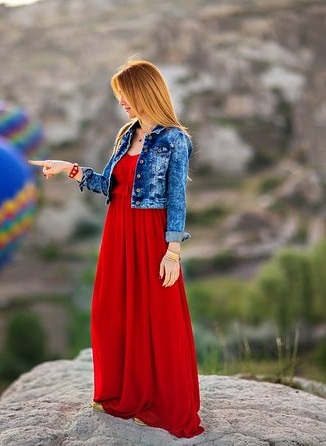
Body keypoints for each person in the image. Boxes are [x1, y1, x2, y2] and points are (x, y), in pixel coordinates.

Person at [29, 59, 205, 439]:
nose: (121, 102)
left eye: (124, 94)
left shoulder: (175, 139)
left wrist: (172, 251)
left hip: (151, 233)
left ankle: (165, 404)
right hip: (118, 232)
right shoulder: (127, 134)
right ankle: (126, 393)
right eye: (118, 96)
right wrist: (70, 169)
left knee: (156, 316)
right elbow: (111, 185)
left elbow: (177, 198)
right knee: (114, 308)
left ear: (143, 91)